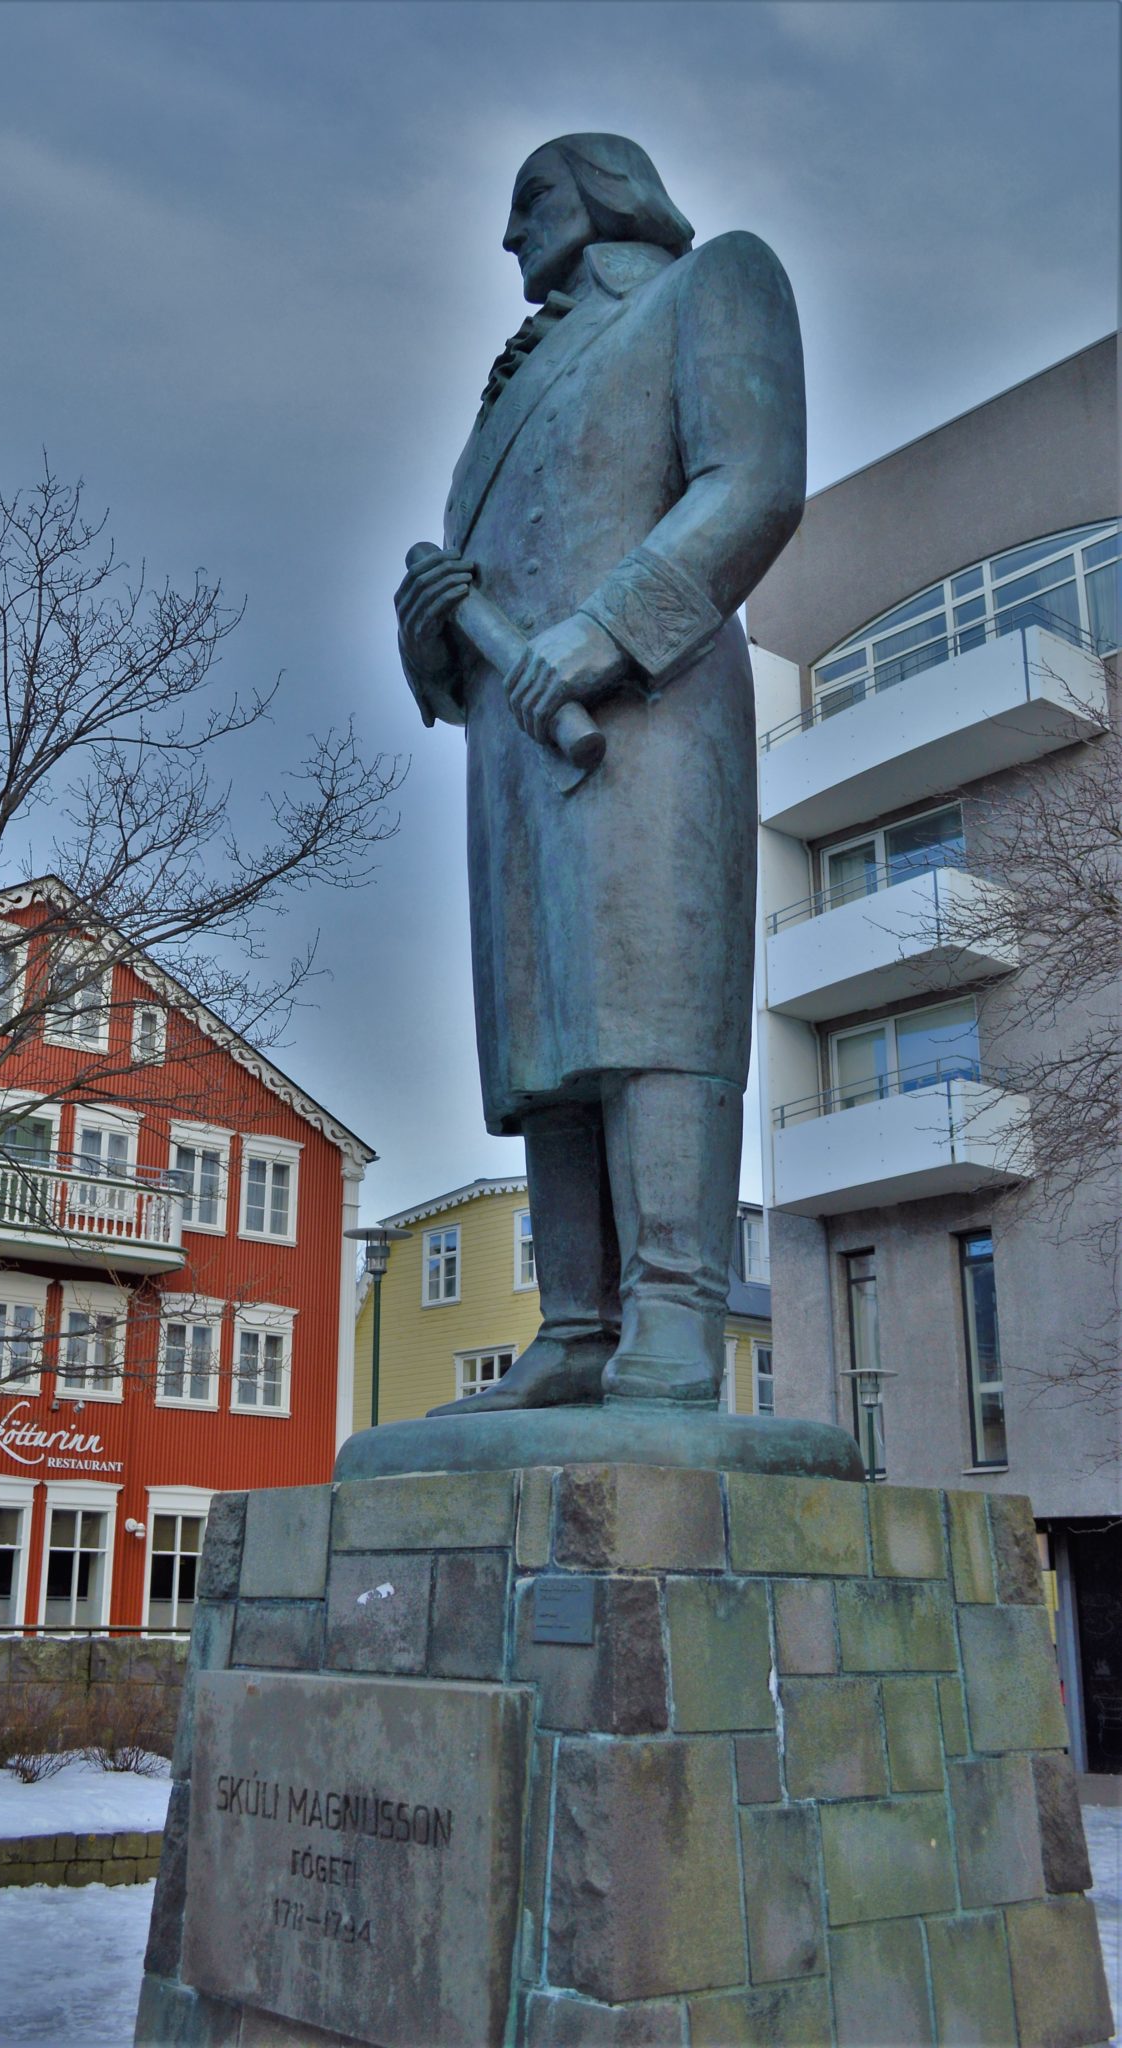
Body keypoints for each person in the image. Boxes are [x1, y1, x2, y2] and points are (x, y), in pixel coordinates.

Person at [393, 132, 805, 1415]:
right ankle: (577, 1324)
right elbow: (481, 616)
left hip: (649, 709)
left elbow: (754, 482)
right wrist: (431, 633)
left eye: (532, 199)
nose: (509, 233)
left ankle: (674, 1307)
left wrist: (604, 633)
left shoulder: (710, 283)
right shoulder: (502, 399)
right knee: (545, 1034)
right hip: (514, 748)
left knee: (653, 1000)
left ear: (606, 192)